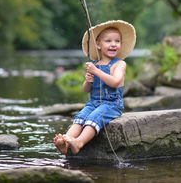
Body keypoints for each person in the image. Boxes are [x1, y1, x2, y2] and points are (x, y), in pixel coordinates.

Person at [54, 20, 136, 155]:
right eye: (108, 41)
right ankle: (66, 140)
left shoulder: (119, 64)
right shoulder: (94, 64)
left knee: (94, 117)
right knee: (81, 116)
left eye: (117, 41)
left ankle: (78, 143)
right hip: (93, 103)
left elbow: (115, 82)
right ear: (98, 44)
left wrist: (97, 72)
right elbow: (86, 89)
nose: (113, 44)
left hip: (112, 104)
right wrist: (88, 81)